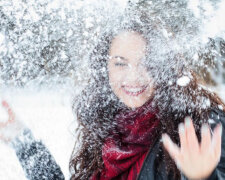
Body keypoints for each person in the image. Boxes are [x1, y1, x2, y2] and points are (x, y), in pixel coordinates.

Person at [0, 1, 225, 180]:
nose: (134, 77)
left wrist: (204, 177)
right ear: (104, 68)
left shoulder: (202, 125)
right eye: (120, 63)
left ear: (164, 65)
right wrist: (25, 144)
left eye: (147, 63)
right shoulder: (107, 129)